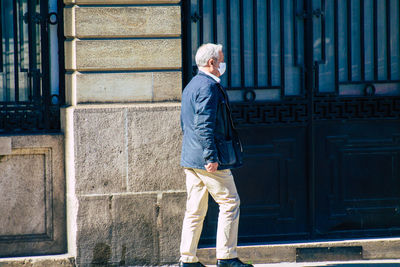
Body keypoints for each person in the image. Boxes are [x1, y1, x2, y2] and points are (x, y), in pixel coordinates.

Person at [179, 43, 253, 267]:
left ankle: (188, 259)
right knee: (230, 202)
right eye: (221, 59)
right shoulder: (208, 87)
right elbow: (203, 125)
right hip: (206, 159)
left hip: (191, 158)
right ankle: (227, 258)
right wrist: (211, 156)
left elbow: (186, 123)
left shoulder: (192, 85)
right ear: (211, 63)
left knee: (195, 210)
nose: (223, 63)